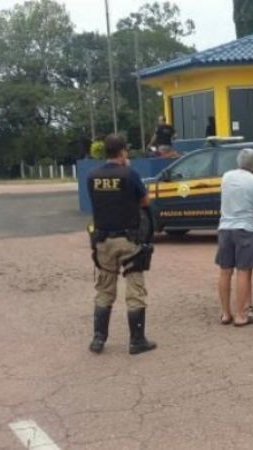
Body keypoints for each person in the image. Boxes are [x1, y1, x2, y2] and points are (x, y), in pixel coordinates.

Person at [87, 134, 157, 354]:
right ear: (123, 151)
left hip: (103, 240)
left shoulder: (92, 176)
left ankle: (98, 339)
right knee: (135, 289)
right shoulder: (130, 174)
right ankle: (137, 341)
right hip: (129, 241)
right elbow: (145, 201)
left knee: (104, 289)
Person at [217, 148, 253, 327]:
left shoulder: (226, 176)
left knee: (225, 271)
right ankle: (241, 315)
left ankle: (226, 313)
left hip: (225, 227)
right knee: (243, 271)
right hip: (246, 229)